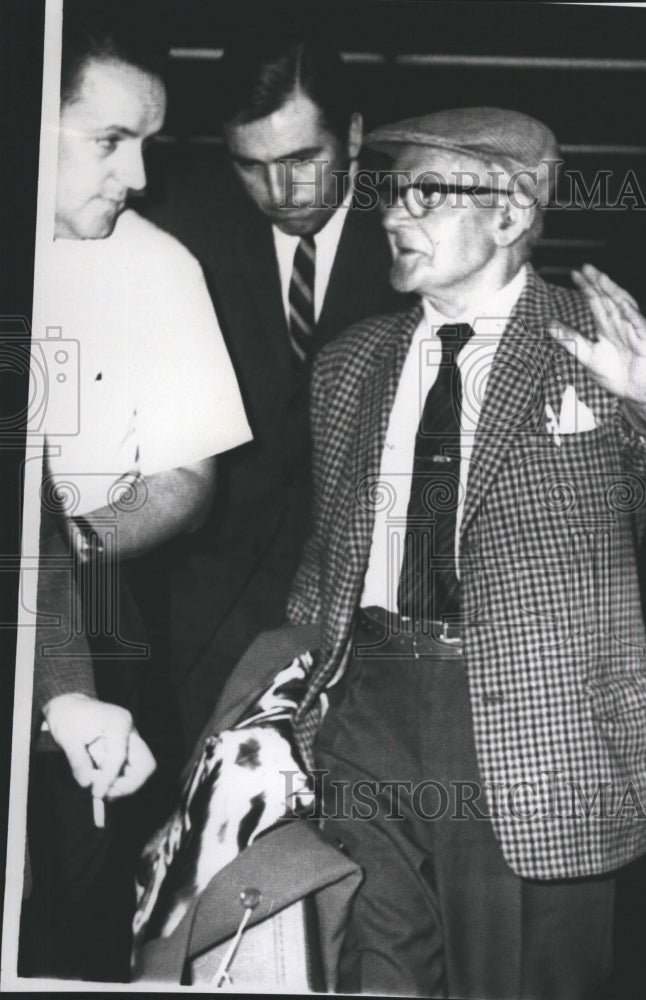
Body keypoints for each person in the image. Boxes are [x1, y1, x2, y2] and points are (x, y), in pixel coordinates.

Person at [284, 106, 646, 999]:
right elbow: (327, 556)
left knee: (519, 982)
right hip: (369, 708)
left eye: (424, 194)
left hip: (538, 728)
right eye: (389, 195)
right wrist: (290, 701)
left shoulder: (605, 346)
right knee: (371, 971)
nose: (393, 215)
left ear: (508, 213)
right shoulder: (349, 363)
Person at [21, 3, 251, 980]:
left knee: (73, 887)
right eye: (111, 140)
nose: (141, 175)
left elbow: (184, 484)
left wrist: (54, 555)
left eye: (148, 143)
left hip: (100, 606)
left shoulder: (158, 268)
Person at [140, 26, 409, 748]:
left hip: (374, 597)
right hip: (213, 601)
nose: (278, 191)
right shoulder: (177, 226)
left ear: (352, 136)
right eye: (250, 166)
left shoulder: (426, 223)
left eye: (300, 159)